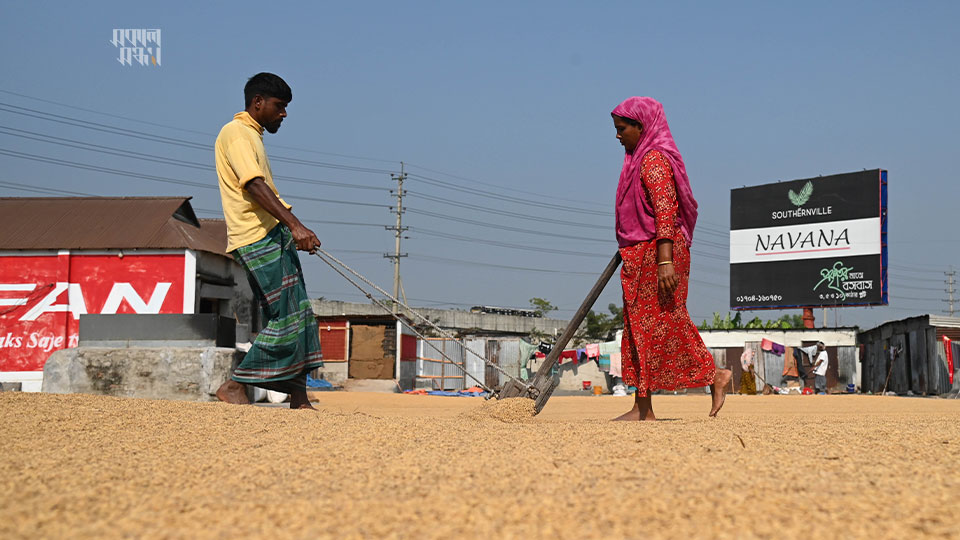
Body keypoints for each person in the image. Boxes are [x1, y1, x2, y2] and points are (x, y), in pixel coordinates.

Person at [610, 97, 732, 421]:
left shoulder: (653, 161)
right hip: (640, 255)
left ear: (641, 126)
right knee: (639, 329)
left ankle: (713, 376)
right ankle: (642, 407)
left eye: (622, 129)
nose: (618, 136)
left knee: (660, 323)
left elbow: (666, 212)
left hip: (659, 255)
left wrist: (665, 262)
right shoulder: (637, 162)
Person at [213, 72, 324, 410]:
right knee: (288, 318)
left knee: (299, 313)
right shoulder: (237, 134)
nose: (284, 114)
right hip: (256, 237)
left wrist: (290, 228)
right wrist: (295, 226)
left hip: (271, 233)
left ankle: (299, 397)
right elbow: (254, 185)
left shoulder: (252, 136)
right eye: (279, 106)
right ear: (257, 102)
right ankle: (235, 385)